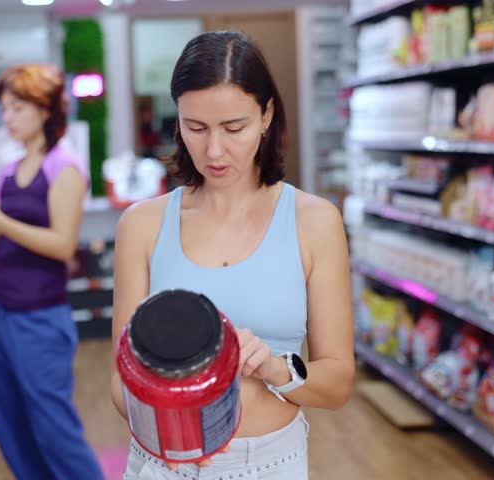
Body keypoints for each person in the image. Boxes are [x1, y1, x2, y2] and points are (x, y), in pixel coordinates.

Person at [111, 31, 355, 479]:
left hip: (268, 463)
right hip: (163, 462)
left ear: (266, 115)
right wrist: (170, 427)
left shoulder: (314, 221)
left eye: (234, 128)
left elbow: (337, 384)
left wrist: (273, 368)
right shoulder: (142, 225)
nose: (214, 150)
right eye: (195, 128)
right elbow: (120, 376)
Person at [0, 63, 104, 480]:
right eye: (5, 109)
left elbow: (61, 244)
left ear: (46, 109)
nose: (7, 119)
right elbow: (1, 246)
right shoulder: (10, 172)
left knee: (55, 429)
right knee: (9, 428)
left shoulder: (64, 167)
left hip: (37, 317)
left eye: (17, 108)